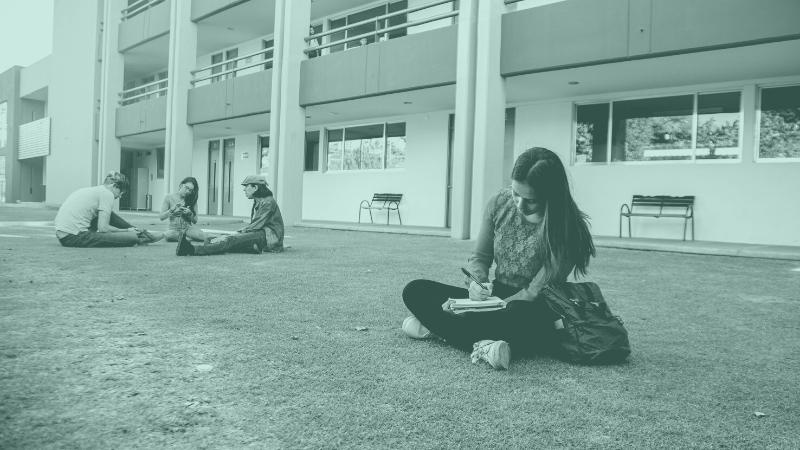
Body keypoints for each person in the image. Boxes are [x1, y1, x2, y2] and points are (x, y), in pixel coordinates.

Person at [401, 147, 596, 370]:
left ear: (550, 195)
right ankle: (486, 341)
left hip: (531, 307)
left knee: (516, 316)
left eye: (530, 200)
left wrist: (485, 310)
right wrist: (477, 284)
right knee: (415, 290)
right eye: (516, 194)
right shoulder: (499, 202)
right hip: (494, 296)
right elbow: (480, 257)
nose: (520, 205)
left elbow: (536, 291)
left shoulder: (567, 227)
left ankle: (441, 329)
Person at [176, 175, 284, 256]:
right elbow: (254, 226)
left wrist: (235, 234)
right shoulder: (259, 201)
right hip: (260, 234)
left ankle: (191, 250)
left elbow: (255, 225)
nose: (244, 189)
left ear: (255, 187)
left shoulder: (268, 202)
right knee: (220, 239)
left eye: (246, 186)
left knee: (230, 240)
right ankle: (250, 248)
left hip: (267, 237)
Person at [54, 171, 164, 248]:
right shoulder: (107, 194)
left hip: (63, 234)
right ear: (114, 186)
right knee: (131, 237)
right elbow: (103, 228)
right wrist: (126, 231)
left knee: (110, 215)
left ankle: (142, 233)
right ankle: (139, 236)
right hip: (74, 237)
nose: (119, 196)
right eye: (121, 193)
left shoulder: (94, 190)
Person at [160, 177, 206, 242]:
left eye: (190, 190)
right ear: (181, 185)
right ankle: (187, 238)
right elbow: (161, 217)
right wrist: (172, 211)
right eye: (186, 188)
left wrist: (190, 214)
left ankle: (186, 238)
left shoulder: (192, 200)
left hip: (188, 229)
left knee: (201, 236)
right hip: (174, 229)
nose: (187, 191)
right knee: (168, 236)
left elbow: (195, 220)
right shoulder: (169, 197)